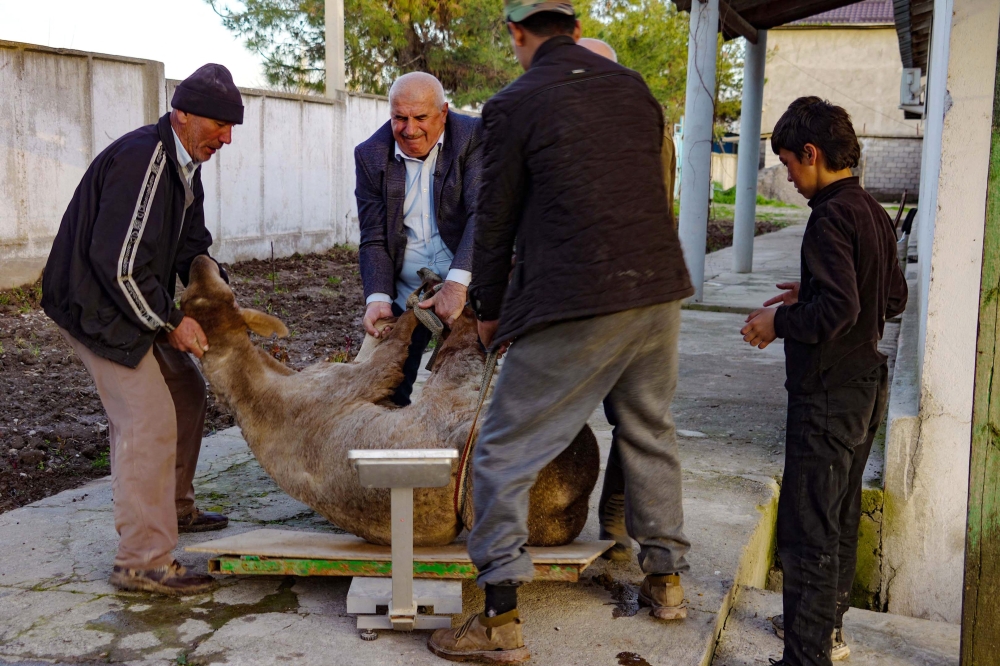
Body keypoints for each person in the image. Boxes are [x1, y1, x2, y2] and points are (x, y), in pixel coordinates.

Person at [427, 3, 694, 662]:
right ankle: (667, 583)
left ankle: (499, 620)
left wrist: (487, 306)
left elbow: (494, 219)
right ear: (575, 31)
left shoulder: (513, 104)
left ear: (518, 34)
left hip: (579, 294)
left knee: (499, 452)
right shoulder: (633, 89)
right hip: (657, 289)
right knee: (648, 428)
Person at [41, 64, 244, 596]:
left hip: (130, 299)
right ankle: (142, 561)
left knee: (186, 391)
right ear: (181, 115)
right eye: (219, 125)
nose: (226, 137)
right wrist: (173, 322)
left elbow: (188, 243)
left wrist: (212, 282)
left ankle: (172, 509)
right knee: (147, 419)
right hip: (95, 304)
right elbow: (118, 266)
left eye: (232, 127)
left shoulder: (185, 163)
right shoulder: (144, 161)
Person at [739, 97, 907, 666]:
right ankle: (826, 633)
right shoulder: (873, 211)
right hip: (867, 385)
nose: (788, 178)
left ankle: (804, 655)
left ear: (812, 154)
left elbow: (838, 309)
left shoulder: (830, 216)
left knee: (807, 528)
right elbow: (891, 298)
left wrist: (779, 320)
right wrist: (808, 293)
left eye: (789, 165)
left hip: (829, 394)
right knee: (838, 517)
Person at [577, 36, 681, 562]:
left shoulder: (630, 125)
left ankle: (617, 519)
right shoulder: (648, 120)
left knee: (630, 418)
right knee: (641, 421)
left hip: (609, 290)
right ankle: (657, 560)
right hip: (645, 286)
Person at [354, 72, 484, 405]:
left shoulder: (474, 136)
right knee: (375, 389)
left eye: (421, 118)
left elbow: (481, 215)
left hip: (468, 277)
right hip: (406, 287)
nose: (410, 130)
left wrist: (456, 287)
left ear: (444, 112)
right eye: (400, 118)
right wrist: (378, 298)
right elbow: (373, 238)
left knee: (473, 386)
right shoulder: (370, 155)